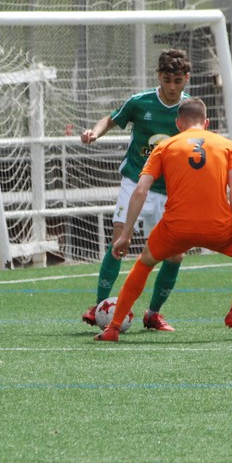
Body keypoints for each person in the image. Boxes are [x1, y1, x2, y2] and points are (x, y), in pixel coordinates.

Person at [95, 97, 232, 342]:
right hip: (217, 226)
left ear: (178, 124)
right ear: (206, 122)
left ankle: (114, 327)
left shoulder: (165, 146)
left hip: (175, 229)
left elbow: (140, 190)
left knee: (145, 262)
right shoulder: (226, 145)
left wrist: (126, 235)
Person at [80, 48, 192, 332]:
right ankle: (100, 306)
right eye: (167, 80)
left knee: (175, 255)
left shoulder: (190, 109)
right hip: (135, 181)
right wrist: (94, 132)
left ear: (186, 79)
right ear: (158, 76)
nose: (172, 87)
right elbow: (110, 119)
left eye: (178, 81)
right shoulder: (140, 103)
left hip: (170, 190)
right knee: (120, 242)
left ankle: (153, 314)